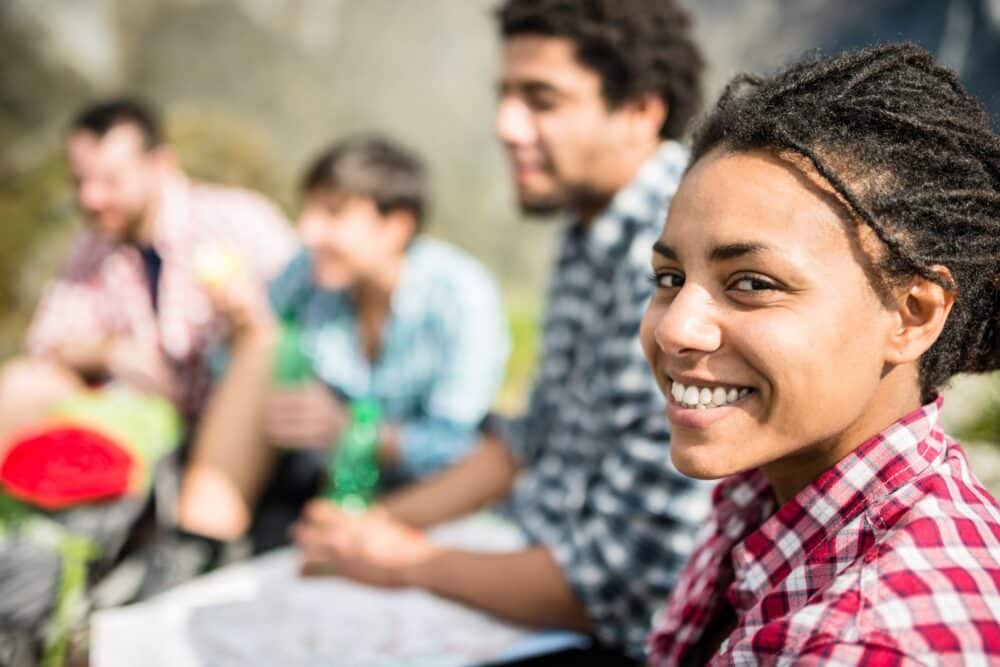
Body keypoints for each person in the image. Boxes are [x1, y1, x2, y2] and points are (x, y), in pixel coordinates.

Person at [291, 1, 713, 661]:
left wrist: (410, 560)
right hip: (520, 553)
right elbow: (528, 441)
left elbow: (629, 583)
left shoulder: (671, 253)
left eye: (541, 99)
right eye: (505, 96)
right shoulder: (591, 230)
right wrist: (372, 528)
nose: (506, 126)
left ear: (639, 110)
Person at [643, 42, 1000, 665]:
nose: (677, 329)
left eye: (752, 283)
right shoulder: (768, 492)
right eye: (669, 278)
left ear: (913, 315)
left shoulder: (867, 642)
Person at [157, 136, 510, 582]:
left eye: (333, 213)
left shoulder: (462, 297)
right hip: (316, 474)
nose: (308, 231)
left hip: (409, 489)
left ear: (395, 226)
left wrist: (355, 432)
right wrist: (246, 328)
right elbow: (233, 377)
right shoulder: (304, 275)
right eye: (309, 211)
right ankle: (194, 553)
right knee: (263, 347)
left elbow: (459, 446)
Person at [0, 98, 298, 435]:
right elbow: (46, 340)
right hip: (144, 422)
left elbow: (312, 319)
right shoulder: (92, 245)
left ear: (161, 165)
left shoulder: (239, 220)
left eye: (110, 180)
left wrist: (253, 316)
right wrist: (110, 352)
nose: (90, 198)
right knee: (22, 386)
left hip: (241, 424)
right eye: (80, 181)